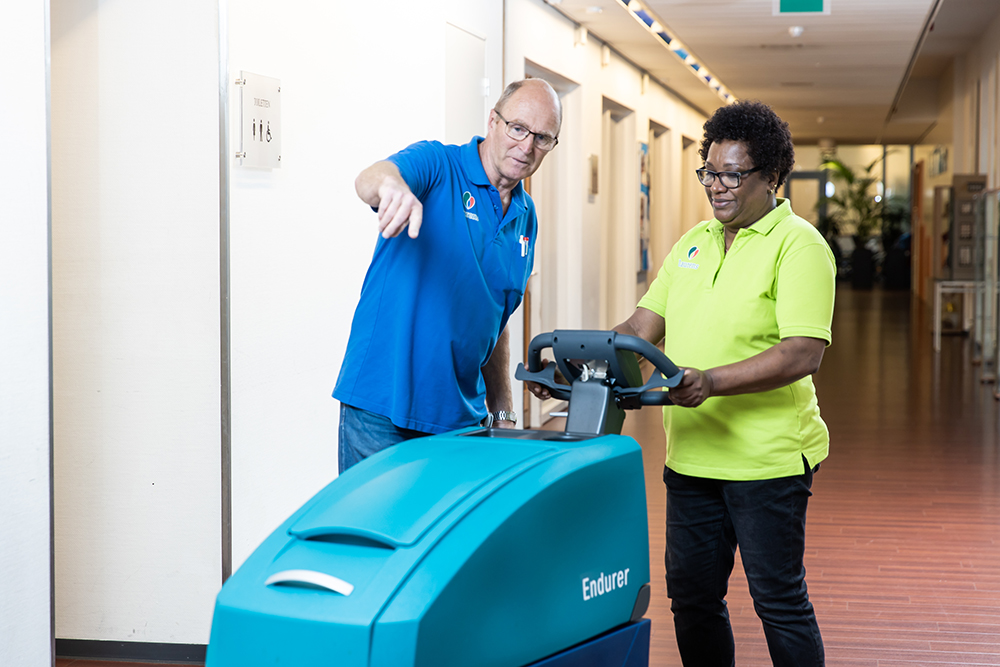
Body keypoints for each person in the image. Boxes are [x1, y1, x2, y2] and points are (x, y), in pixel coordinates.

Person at [532, 100, 834, 666]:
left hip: (767, 461)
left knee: (778, 601)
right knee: (693, 599)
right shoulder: (693, 243)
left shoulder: (800, 245)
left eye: (732, 175)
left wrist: (711, 382)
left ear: (771, 176)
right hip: (692, 456)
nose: (716, 186)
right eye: (709, 172)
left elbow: (802, 353)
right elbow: (637, 331)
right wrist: (572, 370)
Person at [333, 78, 562, 473]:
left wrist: (503, 412)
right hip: (382, 410)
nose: (527, 147)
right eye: (518, 128)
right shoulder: (439, 165)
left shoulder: (526, 217)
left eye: (542, 138)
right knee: (379, 517)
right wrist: (392, 188)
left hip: (460, 421)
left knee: (456, 518)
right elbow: (370, 178)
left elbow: (493, 319)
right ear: (493, 121)